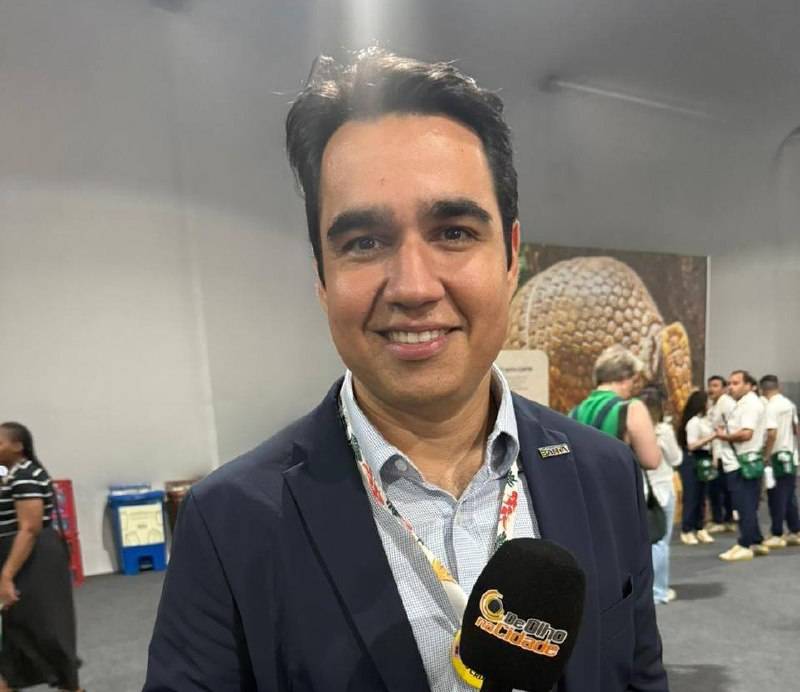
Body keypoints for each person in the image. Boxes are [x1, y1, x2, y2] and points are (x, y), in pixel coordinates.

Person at [145, 49, 668, 691]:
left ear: (510, 257)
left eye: (453, 232)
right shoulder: (232, 522)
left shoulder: (603, 473)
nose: (414, 287)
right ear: (322, 277)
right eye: (364, 242)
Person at [0, 423, 82, 692]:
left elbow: (29, 528)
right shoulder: (9, 474)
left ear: (17, 446)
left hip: (32, 560)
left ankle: (70, 685)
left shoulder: (26, 475)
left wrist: (7, 575)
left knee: (44, 628)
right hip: (15, 555)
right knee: (13, 630)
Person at [569, 345, 661, 471]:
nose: (633, 387)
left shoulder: (574, 413)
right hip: (617, 481)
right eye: (633, 381)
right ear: (624, 378)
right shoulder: (632, 409)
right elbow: (651, 461)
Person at [715, 370, 768, 561]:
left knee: (743, 505)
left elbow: (746, 433)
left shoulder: (750, 405)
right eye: (730, 383)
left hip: (741, 463)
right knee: (748, 504)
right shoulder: (744, 403)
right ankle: (756, 541)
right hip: (742, 461)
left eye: (736, 383)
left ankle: (745, 544)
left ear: (749, 385)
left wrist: (724, 436)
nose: (731, 387)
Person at [638, 387, 682, 605]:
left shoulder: (630, 429)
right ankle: (659, 591)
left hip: (638, 489)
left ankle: (642, 589)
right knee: (660, 542)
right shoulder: (663, 431)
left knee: (639, 543)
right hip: (661, 490)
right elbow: (676, 459)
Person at [759, 375, 800, 547]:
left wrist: (766, 455)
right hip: (790, 454)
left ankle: (777, 533)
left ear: (762, 390)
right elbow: (796, 429)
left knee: (777, 496)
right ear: (778, 386)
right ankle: (795, 530)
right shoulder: (789, 404)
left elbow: (772, 433)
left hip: (776, 455)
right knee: (789, 494)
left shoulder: (770, 407)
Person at [676, 391, 717, 545]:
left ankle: (700, 527)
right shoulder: (693, 422)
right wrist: (712, 436)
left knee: (701, 495)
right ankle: (686, 529)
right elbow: (691, 445)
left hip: (704, 458)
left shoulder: (705, 421)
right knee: (691, 495)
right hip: (692, 459)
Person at [705, 375, 736, 533]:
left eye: (715, 386)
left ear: (724, 388)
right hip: (716, 451)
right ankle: (722, 519)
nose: (711, 389)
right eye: (710, 386)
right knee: (716, 488)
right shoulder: (713, 405)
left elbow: (733, 426)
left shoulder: (727, 404)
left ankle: (724, 519)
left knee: (722, 488)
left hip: (725, 452)